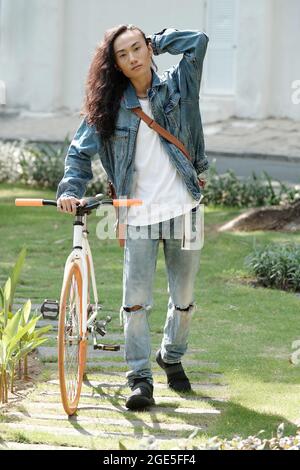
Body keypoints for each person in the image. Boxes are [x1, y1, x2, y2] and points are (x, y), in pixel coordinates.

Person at [57, 24, 209, 411]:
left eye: (137, 48)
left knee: (185, 299)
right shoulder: (107, 106)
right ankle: (139, 379)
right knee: (136, 303)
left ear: (149, 49)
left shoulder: (179, 86)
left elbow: (197, 42)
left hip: (186, 210)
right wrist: (71, 188)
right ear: (116, 66)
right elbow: (78, 152)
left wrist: (156, 39)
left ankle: (171, 356)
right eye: (122, 55)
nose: (132, 58)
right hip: (137, 215)